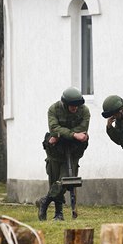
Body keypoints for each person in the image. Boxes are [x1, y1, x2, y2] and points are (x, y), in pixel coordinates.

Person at [37, 87, 90, 221]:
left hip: (72, 151)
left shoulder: (84, 110)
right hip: (55, 152)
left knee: (64, 182)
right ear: (65, 104)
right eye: (72, 106)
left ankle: (45, 201)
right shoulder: (53, 109)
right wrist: (73, 134)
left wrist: (62, 134)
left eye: (77, 106)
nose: (75, 108)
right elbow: (54, 129)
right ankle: (58, 214)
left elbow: (83, 130)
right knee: (54, 181)